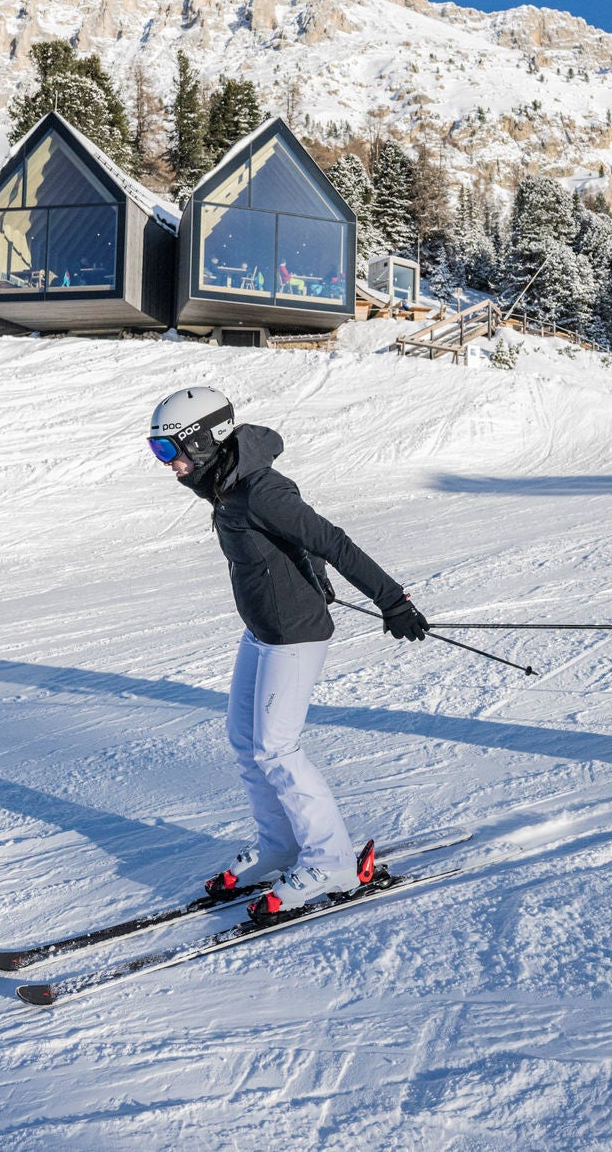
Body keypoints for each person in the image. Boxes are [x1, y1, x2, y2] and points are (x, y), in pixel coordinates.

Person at [147, 386, 431, 917]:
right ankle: (280, 845)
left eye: (170, 451)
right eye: (157, 451)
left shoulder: (259, 490)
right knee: (244, 740)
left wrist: (393, 602)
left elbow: (332, 540)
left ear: (205, 441)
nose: (168, 464)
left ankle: (332, 858)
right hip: (262, 631)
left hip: (293, 634)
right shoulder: (223, 485)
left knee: (276, 749)